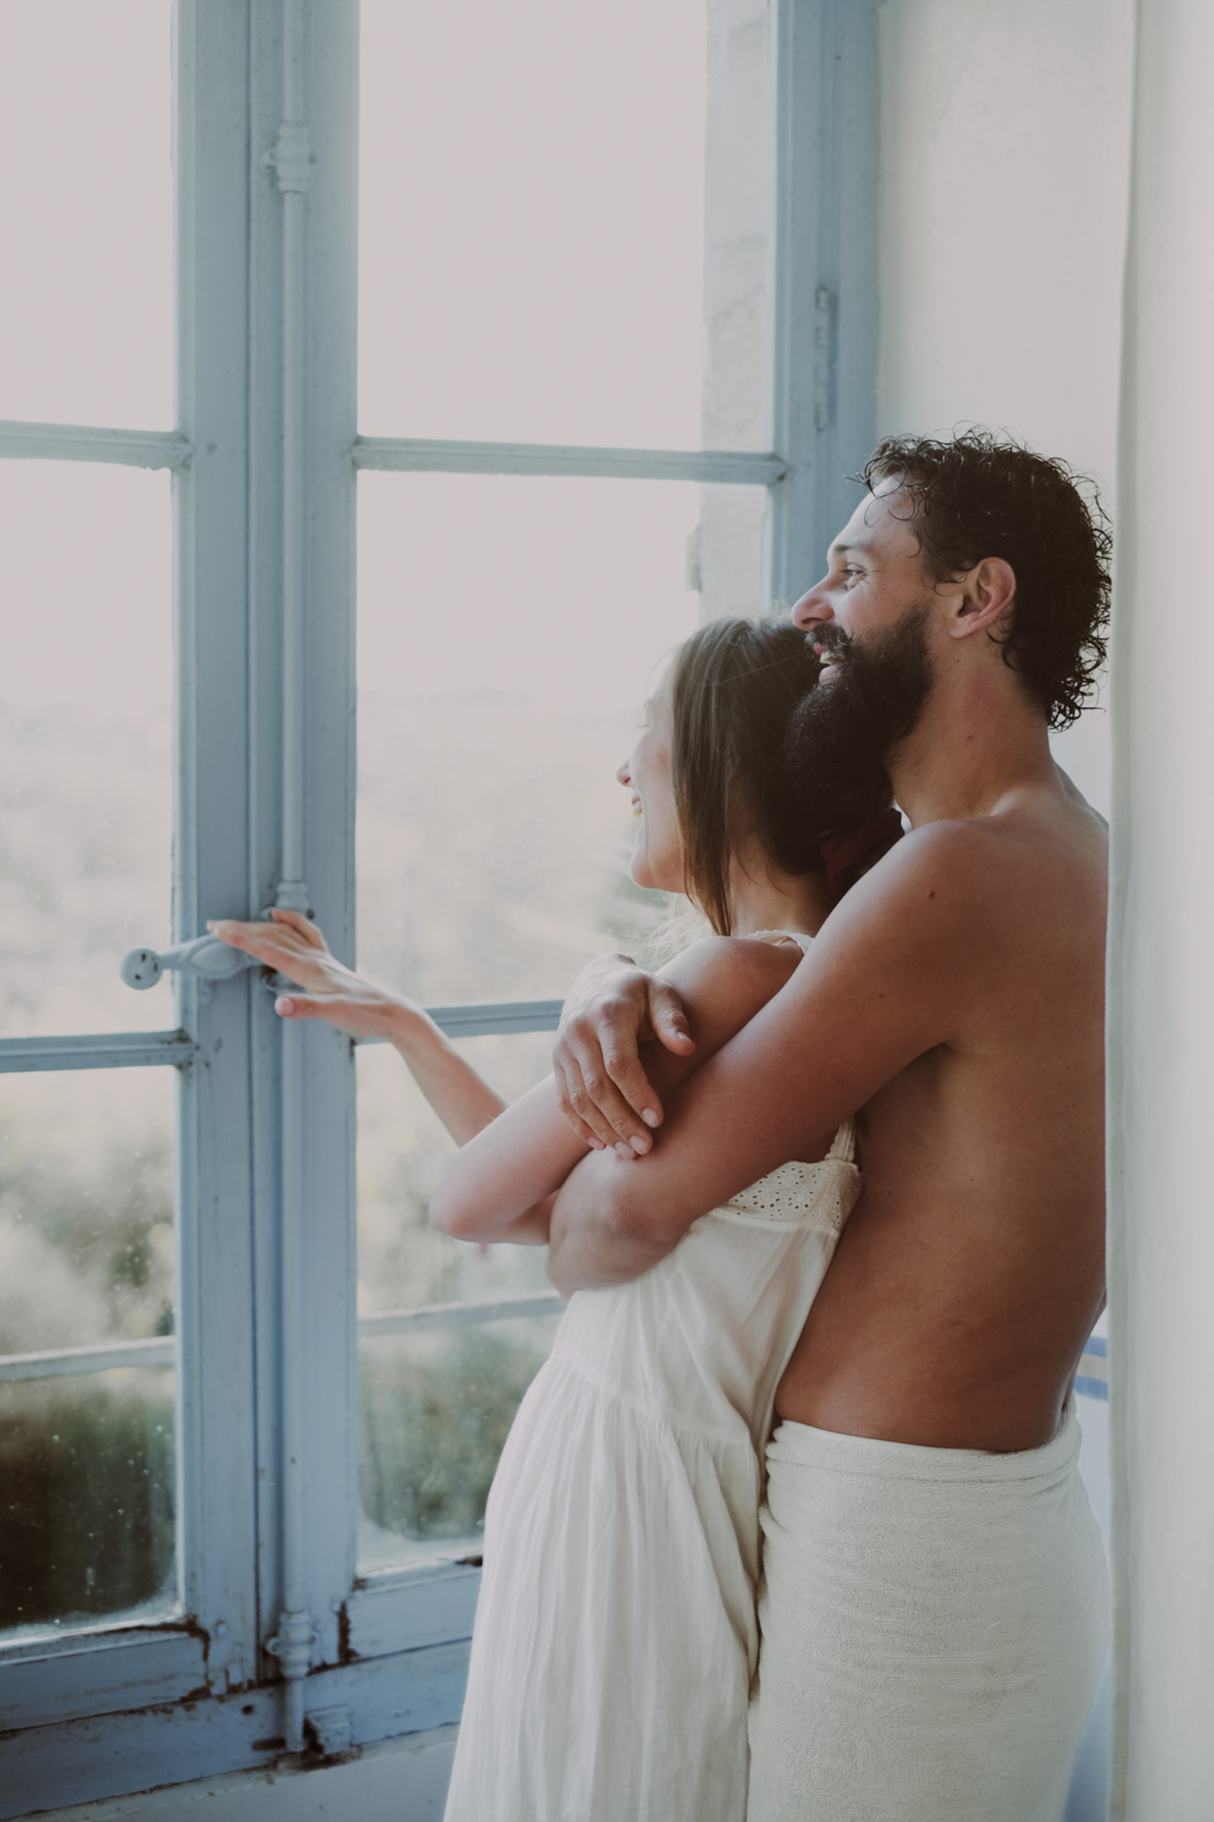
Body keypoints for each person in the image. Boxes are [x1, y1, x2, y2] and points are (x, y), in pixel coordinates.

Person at [209, 617, 897, 1821]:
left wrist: (598, 986)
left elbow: (474, 1200)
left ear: (722, 769)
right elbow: (558, 1198)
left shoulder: (726, 981)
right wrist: (414, 1030)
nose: (624, 769)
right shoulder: (796, 981)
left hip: (627, 1462)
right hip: (683, 1464)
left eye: (646, 732)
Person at [544, 429, 1112, 1822]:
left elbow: (621, 1213)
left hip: (907, 1545)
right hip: (946, 1517)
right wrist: (609, 977)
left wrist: (566, 1194)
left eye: (851, 570)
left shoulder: (959, 876)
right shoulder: (1058, 850)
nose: (811, 606)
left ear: (975, 598)